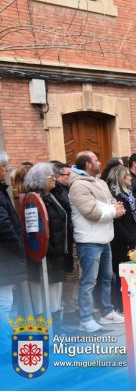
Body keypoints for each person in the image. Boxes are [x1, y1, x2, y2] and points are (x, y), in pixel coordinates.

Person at [69, 151, 125, 332]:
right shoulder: (78, 186)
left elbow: (111, 203)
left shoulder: (100, 182)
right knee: (89, 281)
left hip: (105, 238)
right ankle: (86, 319)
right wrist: (112, 209)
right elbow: (91, 213)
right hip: (89, 240)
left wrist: (113, 208)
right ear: (87, 165)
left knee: (107, 278)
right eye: (96, 160)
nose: (100, 162)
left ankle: (107, 312)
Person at [23, 163, 72, 320]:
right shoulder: (34, 199)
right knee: (44, 294)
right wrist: (47, 249)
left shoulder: (51, 196)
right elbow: (34, 230)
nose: (54, 180)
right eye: (51, 177)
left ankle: (57, 327)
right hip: (45, 255)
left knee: (55, 292)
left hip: (57, 252)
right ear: (39, 179)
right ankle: (47, 331)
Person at [0, 151, 27, 357]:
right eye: (4, 167)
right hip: (4, 257)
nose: (6, 171)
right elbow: (4, 226)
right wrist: (18, 246)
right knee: (4, 304)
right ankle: (5, 350)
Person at [106, 166, 136, 313]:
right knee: (121, 272)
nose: (130, 178)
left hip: (135, 237)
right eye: (127, 175)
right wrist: (130, 238)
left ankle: (133, 299)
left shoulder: (130, 195)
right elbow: (117, 223)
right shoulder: (116, 197)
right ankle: (121, 304)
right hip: (122, 241)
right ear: (121, 178)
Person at [50, 162, 79, 319]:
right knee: (71, 276)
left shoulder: (68, 190)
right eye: (68, 175)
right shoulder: (58, 193)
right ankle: (69, 310)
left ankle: (73, 307)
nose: (71, 177)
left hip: (72, 238)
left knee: (76, 276)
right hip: (66, 240)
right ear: (58, 176)